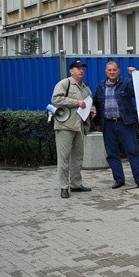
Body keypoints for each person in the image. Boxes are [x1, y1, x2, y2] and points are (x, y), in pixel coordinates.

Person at [92, 61, 139, 189]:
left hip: (124, 123)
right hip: (108, 124)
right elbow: (95, 104)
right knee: (112, 154)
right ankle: (119, 179)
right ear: (106, 72)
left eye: (114, 70)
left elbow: (137, 92)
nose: (112, 72)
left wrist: (135, 75)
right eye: (109, 70)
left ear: (119, 71)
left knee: (132, 152)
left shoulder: (126, 83)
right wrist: (97, 123)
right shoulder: (101, 86)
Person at [52, 59, 96, 198]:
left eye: (82, 68)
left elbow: (89, 102)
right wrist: (76, 102)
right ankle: (64, 187)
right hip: (65, 126)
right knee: (64, 158)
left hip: (79, 126)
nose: (81, 70)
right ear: (71, 71)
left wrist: (92, 110)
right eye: (78, 68)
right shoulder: (65, 83)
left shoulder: (85, 87)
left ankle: (76, 184)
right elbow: (56, 99)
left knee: (77, 157)